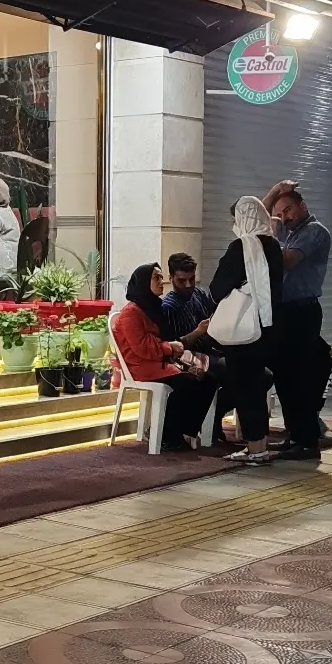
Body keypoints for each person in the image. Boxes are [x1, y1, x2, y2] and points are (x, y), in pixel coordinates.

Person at [209, 197, 284, 467]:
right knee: (256, 386)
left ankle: (255, 449)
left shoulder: (242, 246)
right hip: (266, 326)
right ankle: (258, 445)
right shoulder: (273, 246)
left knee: (244, 388)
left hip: (243, 330)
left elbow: (217, 288)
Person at [263, 180, 332, 461]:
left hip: (302, 312)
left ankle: (307, 440)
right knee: (284, 377)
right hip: (285, 312)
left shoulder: (314, 231)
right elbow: (255, 218)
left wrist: (266, 244)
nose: (284, 217)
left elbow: (286, 262)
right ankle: (294, 435)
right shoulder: (290, 231)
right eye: (279, 213)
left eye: (288, 210)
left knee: (299, 376)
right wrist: (274, 191)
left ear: (302, 206)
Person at [111, 265, 212, 450]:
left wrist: (174, 349)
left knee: (208, 380)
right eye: (156, 278)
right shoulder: (131, 313)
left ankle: (184, 432)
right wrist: (169, 348)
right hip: (141, 366)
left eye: (161, 277)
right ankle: (166, 435)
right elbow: (142, 347)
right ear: (144, 282)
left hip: (158, 361)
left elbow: (165, 337)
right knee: (187, 383)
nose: (161, 282)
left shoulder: (153, 307)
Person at [161, 253, 230, 447]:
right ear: (171, 278)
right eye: (182, 281)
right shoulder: (168, 306)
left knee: (257, 373)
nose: (188, 285)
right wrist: (198, 332)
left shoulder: (198, 294)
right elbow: (174, 346)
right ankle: (207, 420)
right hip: (188, 358)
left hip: (210, 352)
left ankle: (214, 415)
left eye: (191, 279)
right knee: (234, 373)